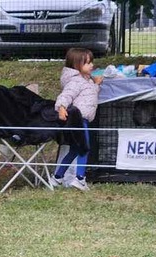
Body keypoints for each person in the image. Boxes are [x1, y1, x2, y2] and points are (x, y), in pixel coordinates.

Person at [48, 48, 102, 192]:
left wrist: (96, 84)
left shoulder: (86, 80)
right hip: (79, 119)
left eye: (92, 62)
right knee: (84, 148)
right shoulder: (75, 81)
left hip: (83, 119)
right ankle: (80, 179)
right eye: (87, 63)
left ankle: (57, 177)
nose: (91, 66)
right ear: (76, 65)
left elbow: (89, 93)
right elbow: (66, 95)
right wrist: (61, 107)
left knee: (75, 150)